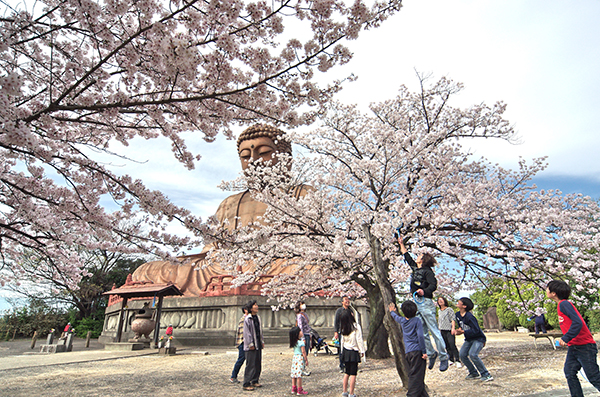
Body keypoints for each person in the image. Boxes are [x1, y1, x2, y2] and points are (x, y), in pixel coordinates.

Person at [131, 124, 311, 295]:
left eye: (263, 153)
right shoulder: (230, 202)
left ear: (285, 159)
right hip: (223, 266)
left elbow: (313, 243)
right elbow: (211, 247)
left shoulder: (301, 193)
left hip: (278, 262)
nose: (254, 161)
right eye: (246, 156)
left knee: (313, 266)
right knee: (149, 270)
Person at [398, 235, 449, 372]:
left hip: (425, 302)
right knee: (423, 332)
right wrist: (401, 243)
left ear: (423, 260)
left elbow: (433, 285)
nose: (417, 256)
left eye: (419, 255)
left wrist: (423, 291)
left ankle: (444, 357)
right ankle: (432, 353)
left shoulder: (428, 272)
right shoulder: (415, 268)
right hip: (416, 303)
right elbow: (407, 257)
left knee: (434, 330)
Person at [546, 280, 600, 396]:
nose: (546, 290)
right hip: (574, 347)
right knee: (569, 372)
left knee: (594, 377)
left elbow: (578, 323)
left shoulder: (564, 304)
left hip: (584, 346)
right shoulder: (562, 305)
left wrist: (566, 338)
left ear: (554, 292)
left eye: (547, 288)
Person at [389, 301, 429, 397]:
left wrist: (392, 311)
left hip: (408, 352)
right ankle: (411, 395)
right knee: (416, 376)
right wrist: (424, 351)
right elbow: (420, 336)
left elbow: (396, 317)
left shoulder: (403, 320)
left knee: (417, 375)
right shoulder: (416, 320)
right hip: (417, 351)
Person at [453, 297, 493, 381]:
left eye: (459, 302)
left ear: (464, 306)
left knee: (473, 354)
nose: (458, 302)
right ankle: (473, 373)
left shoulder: (470, 317)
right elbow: (461, 326)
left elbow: (476, 330)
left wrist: (463, 332)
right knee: (462, 355)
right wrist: (459, 330)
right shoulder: (457, 315)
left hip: (478, 339)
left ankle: (486, 374)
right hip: (469, 339)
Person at [340, 310, 365, 397]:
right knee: (353, 373)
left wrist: (341, 352)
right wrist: (362, 350)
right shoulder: (356, 326)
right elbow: (359, 339)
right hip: (353, 351)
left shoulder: (343, 328)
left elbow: (342, 341)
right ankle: (351, 393)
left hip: (346, 351)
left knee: (346, 373)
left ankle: (344, 391)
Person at [243, 300, 264, 391]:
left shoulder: (257, 318)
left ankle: (255, 380)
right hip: (251, 345)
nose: (257, 306)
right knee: (250, 364)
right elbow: (247, 333)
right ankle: (246, 383)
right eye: (255, 305)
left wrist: (262, 341)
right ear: (251, 308)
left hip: (258, 343)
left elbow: (260, 331)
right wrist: (250, 343)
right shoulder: (248, 319)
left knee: (257, 363)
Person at [437, 296, 461, 368]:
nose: (440, 301)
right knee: (446, 345)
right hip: (442, 330)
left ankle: (457, 359)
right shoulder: (439, 311)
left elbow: (452, 319)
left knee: (452, 344)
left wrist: (453, 328)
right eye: (439, 300)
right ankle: (451, 359)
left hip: (449, 329)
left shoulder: (449, 309)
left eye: (442, 300)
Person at [230, 304, 249, 383]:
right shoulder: (244, 319)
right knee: (241, 359)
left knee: (245, 359)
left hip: (244, 342)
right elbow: (243, 333)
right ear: (245, 310)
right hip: (243, 342)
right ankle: (233, 376)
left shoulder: (246, 318)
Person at [289, 326, 309, 395]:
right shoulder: (301, 343)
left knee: (294, 374)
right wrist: (306, 360)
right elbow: (304, 352)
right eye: (300, 331)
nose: (301, 332)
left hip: (295, 358)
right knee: (299, 375)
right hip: (300, 358)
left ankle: (293, 388)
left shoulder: (294, 343)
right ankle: (299, 389)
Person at [334, 296, 352, 372]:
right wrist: (336, 331)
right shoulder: (339, 311)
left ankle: (349, 363)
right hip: (342, 331)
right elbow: (336, 321)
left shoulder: (351, 310)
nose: (347, 301)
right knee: (342, 349)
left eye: (348, 299)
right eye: (345, 300)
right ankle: (342, 365)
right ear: (342, 302)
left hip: (350, 331)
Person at [295, 301, 312, 376]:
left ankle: (303, 367)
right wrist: (303, 337)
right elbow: (300, 326)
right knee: (303, 352)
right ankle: (301, 368)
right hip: (304, 334)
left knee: (306, 351)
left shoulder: (304, 314)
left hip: (307, 333)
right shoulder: (299, 316)